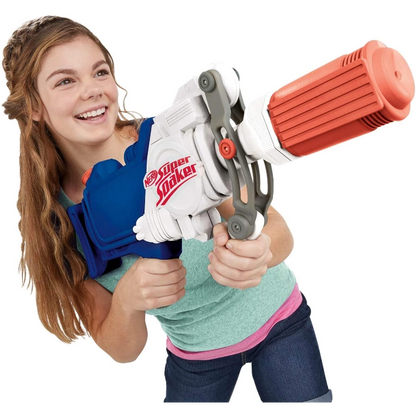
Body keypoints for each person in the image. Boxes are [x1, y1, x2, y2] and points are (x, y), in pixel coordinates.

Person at [2, 15, 332, 405]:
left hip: (281, 320)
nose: (92, 90)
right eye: (65, 81)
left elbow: (276, 227)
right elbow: (123, 349)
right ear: (34, 106)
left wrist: (260, 252)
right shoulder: (55, 220)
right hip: (197, 359)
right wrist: (127, 299)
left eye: (100, 71)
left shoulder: (168, 143)